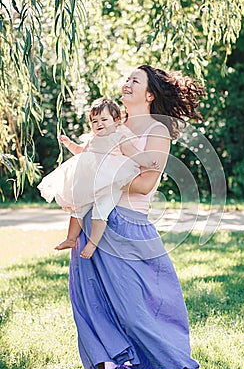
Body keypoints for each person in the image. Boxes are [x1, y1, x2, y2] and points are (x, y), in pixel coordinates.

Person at [69, 65, 205, 369]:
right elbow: (89, 162)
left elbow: (145, 185)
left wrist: (108, 178)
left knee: (134, 308)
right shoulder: (113, 124)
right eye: (126, 78)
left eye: (135, 81)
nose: (127, 83)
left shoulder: (156, 132)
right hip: (94, 219)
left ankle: (171, 366)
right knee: (88, 298)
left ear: (149, 94)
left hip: (127, 225)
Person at [37, 98, 159, 258]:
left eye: (104, 119)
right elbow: (82, 153)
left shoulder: (119, 136)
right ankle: (71, 238)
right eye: (95, 121)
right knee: (78, 208)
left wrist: (149, 162)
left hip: (111, 182)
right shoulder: (93, 139)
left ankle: (92, 244)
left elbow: (133, 153)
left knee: (100, 212)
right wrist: (69, 144)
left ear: (116, 121)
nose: (99, 124)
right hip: (92, 182)